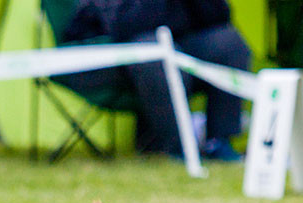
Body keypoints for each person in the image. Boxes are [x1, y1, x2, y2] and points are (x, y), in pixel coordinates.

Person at [63, 0, 251, 160]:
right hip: (105, 58)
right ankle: (177, 149)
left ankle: (218, 143)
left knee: (229, 43)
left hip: (173, 46)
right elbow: (125, 26)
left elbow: (219, 17)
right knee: (156, 51)